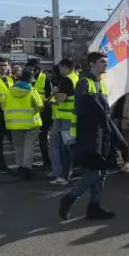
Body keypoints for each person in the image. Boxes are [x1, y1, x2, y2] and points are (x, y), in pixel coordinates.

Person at [59, 52, 125, 220]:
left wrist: (115, 137)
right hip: (87, 135)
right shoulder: (84, 83)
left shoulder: (99, 83)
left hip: (100, 134)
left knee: (101, 172)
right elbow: (83, 110)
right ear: (92, 64)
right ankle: (69, 198)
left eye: (106, 61)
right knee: (94, 173)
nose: (106, 64)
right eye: (102, 62)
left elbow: (104, 114)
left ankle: (94, 207)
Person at [3, 69, 43, 180]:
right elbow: (39, 107)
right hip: (31, 124)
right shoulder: (32, 91)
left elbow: (3, 105)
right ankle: (26, 169)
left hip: (14, 124)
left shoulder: (9, 91)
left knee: (19, 146)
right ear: (30, 79)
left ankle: (20, 167)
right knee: (29, 147)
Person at [49, 58, 79, 186]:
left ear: (65, 67)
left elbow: (63, 97)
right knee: (69, 146)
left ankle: (64, 176)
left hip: (66, 118)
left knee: (67, 148)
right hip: (73, 116)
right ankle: (67, 172)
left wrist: (55, 93)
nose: (60, 71)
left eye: (61, 68)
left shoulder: (66, 79)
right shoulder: (76, 78)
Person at [27, 58, 53, 168]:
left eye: (32, 68)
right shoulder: (27, 79)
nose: (31, 70)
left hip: (44, 111)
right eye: (29, 68)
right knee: (30, 139)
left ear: (37, 68)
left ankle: (46, 159)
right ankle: (29, 162)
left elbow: (49, 94)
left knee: (43, 138)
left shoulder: (45, 78)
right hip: (30, 112)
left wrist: (44, 104)